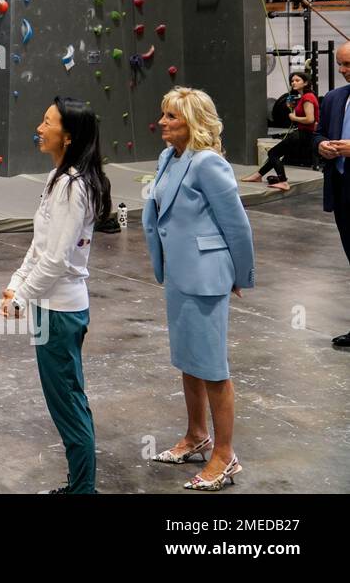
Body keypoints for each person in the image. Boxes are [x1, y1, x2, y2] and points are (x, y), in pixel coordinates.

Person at [143, 87, 254, 491]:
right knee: (188, 360)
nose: (164, 123)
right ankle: (196, 435)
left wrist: (241, 275)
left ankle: (225, 455)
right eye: (164, 115)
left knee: (212, 368)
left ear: (193, 121)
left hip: (207, 276)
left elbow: (237, 224)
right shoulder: (168, 158)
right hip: (178, 274)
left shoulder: (208, 163)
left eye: (172, 116)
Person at [0, 98, 110, 494]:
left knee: (68, 405)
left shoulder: (71, 186)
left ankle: (83, 489)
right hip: (51, 308)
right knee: (67, 400)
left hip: (60, 312)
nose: (39, 127)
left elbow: (58, 259)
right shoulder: (57, 179)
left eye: (47, 122)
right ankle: (80, 485)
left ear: (68, 136)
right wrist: (17, 282)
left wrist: (22, 296)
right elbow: (40, 246)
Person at [315, 41, 350, 350]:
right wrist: (321, 146)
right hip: (342, 193)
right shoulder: (334, 98)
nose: (342, 70)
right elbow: (318, 132)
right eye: (340, 64)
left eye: (348, 64)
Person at [241, 71, 318, 192]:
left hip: (304, 134)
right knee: (276, 153)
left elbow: (310, 119)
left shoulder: (307, 97)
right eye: (292, 81)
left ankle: (283, 181)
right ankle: (258, 176)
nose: (293, 83)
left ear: (306, 82)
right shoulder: (304, 97)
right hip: (302, 133)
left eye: (297, 80)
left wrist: (294, 118)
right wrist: (290, 107)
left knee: (273, 153)